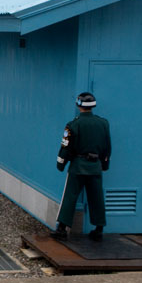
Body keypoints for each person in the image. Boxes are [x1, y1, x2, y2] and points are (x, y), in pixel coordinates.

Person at [52, 92, 112, 242]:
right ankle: (99, 229)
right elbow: (107, 146)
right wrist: (104, 164)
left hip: (78, 166)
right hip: (95, 166)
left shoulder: (73, 124)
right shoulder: (103, 123)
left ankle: (62, 229)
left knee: (70, 197)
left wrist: (61, 163)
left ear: (79, 105)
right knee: (97, 197)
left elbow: (66, 146)